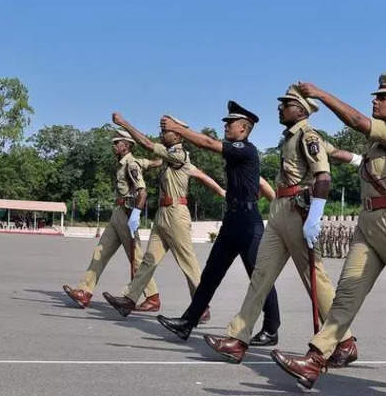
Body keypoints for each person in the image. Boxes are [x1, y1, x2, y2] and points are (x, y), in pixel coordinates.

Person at [271, 74, 386, 392]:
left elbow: (356, 120)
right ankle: (315, 359)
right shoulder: (379, 146)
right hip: (370, 223)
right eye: (376, 97)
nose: (375, 100)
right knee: (346, 296)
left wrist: (322, 94)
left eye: (383, 98)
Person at [200, 85, 356, 365]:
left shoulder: (308, 136)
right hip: (280, 210)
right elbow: (334, 152)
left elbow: (323, 175)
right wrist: (358, 159)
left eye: (286, 104)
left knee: (314, 279)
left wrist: (315, 216)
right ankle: (237, 339)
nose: (279, 108)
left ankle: (343, 340)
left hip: (298, 210)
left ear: (301, 110)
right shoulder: (291, 138)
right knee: (261, 275)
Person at [155, 102, 283, 344]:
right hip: (233, 220)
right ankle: (188, 322)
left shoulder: (245, 149)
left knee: (259, 277)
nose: (225, 125)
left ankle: (271, 328)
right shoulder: (238, 153)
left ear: (244, 128)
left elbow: (208, 143)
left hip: (248, 223)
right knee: (211, 274)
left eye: (230, 123)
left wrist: (178, 130)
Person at [102, 113, 226, 317]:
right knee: (149, 259)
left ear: (178, 136)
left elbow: (148, 145)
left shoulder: (179, 155)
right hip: (162, 214)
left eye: (166, 131)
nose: (162, 133)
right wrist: (221, 191)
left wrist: (125, 123)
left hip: (177, 214)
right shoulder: (171, 159)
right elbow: (201, 175)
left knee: (188, 262)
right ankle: (130, 298)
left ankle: (201, 305)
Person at [62, 127, 160, 310]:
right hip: (118, 212)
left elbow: (143, 192)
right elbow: (148, 162)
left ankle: (153, 297)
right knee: (100, 252)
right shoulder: (127, 162)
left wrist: (137, 214)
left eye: (117, 142)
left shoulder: (131, 164)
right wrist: (159, 161)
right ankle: (84, 292)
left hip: (128, 213)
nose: (113, 145)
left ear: (127, 145)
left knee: (136, 259)